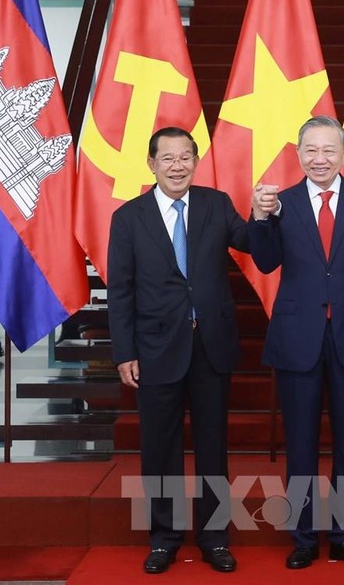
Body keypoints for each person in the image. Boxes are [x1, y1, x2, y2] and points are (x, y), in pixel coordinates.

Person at [247, 116, 344, 570]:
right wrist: (258, 217)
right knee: (300, 445)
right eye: (311, 150)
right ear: (298, 154)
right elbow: (267, 260)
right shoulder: (280, 202)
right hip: (298, 338)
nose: (320, 159)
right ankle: (302, 537)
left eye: (329, 150)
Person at [107, 127, 249, 575]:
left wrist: (267, 214)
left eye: (185, 157)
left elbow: (251, 244)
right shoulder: (129, 218)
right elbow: (121, 291)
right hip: (154, 349)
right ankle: (164, 538)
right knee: (160, 448)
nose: (177, 166)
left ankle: (214, 538)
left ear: (195, 160)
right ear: (151, 164)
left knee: (213, 446)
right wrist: (124, 351)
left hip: (211, 346)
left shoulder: (216, 204)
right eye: (167, 158)